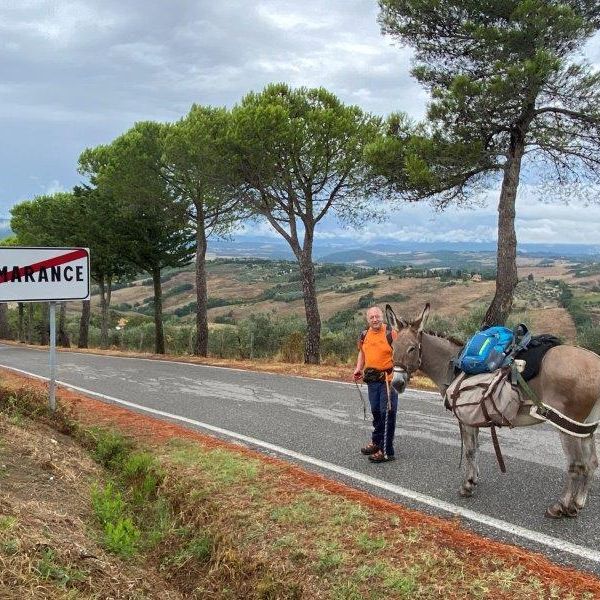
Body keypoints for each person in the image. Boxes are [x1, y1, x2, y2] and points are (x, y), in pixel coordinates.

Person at [353, 305, 399, 463]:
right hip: (372, 381)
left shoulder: (391, 333)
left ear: (382, 317)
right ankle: (376, 442)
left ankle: (387, 451)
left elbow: (401, 353)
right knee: (377, 412)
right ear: (368, 319)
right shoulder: (364, 335)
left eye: (377, 316)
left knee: (387, 414)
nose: (375, 319)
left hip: (388, 380)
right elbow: (362, 352)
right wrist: (358, 368)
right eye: (371, 317)